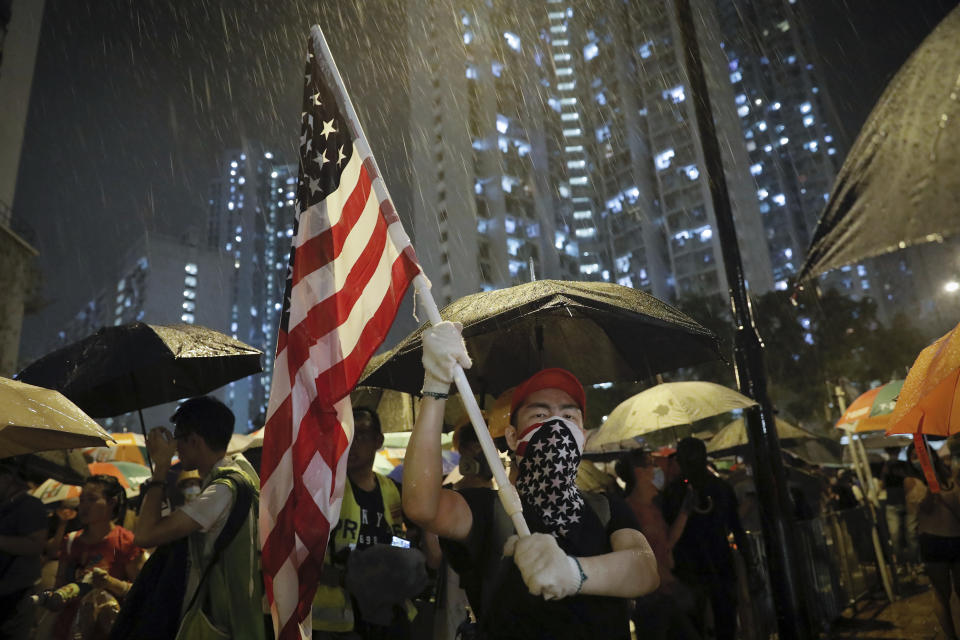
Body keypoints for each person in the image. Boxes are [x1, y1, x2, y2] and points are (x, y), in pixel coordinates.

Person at [403, 322, 659, 640]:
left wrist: (573, 573)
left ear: (582, 436)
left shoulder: (606, 509)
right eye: (539, 415)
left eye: (568, 417)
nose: (555, 426)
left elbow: (645, 570)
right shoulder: (489, 510)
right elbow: (421, 505)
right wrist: (436, 386)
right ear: (512, 437)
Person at [135, 396, 265, 640]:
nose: (175, 448)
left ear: (194, 440)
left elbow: (144, 536)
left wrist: (161, 468)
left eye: (177, 440)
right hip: (238, 617)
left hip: (221, 624)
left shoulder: (222, 491)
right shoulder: (240, 473)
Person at [661, 437, 750, 640]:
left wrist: (750, 567)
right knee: (703, 625)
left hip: (710, 566)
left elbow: (736, 527)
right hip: (693, 569)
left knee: (719, 623)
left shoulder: (717, 489)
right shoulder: (676, 492)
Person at [48, 474, 146, 640]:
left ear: (112, 502)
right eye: (82, 499)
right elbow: (60, 585)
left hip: (105, 630)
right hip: (66, 630)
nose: (84, 506)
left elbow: (142, 591)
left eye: (92, 499)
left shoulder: (125, 542)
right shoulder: (71, 540)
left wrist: (111, 583)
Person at [615, 449, 699, 640]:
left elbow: (667, 543)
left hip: (665, 594)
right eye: (650, 464)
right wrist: (670, 581)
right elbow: (641, 557)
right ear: (638, 472)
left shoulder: (653, 506)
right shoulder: (629, 512)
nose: (656, 468)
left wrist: (685, 510)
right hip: (650, 599)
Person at [905, 445, 960, 639]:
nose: (918, 459)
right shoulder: (911, 481)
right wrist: (930, 487)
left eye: (921, 454)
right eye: (914, 456)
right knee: (942, 593)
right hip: (933, 541)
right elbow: (925, 509)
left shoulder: (949, 475)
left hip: (956, 537)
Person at [0, 459, 47, 640]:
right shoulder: (5, 504)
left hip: (16, 594)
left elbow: (35, 545)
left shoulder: (30, 505)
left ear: (7, 477)